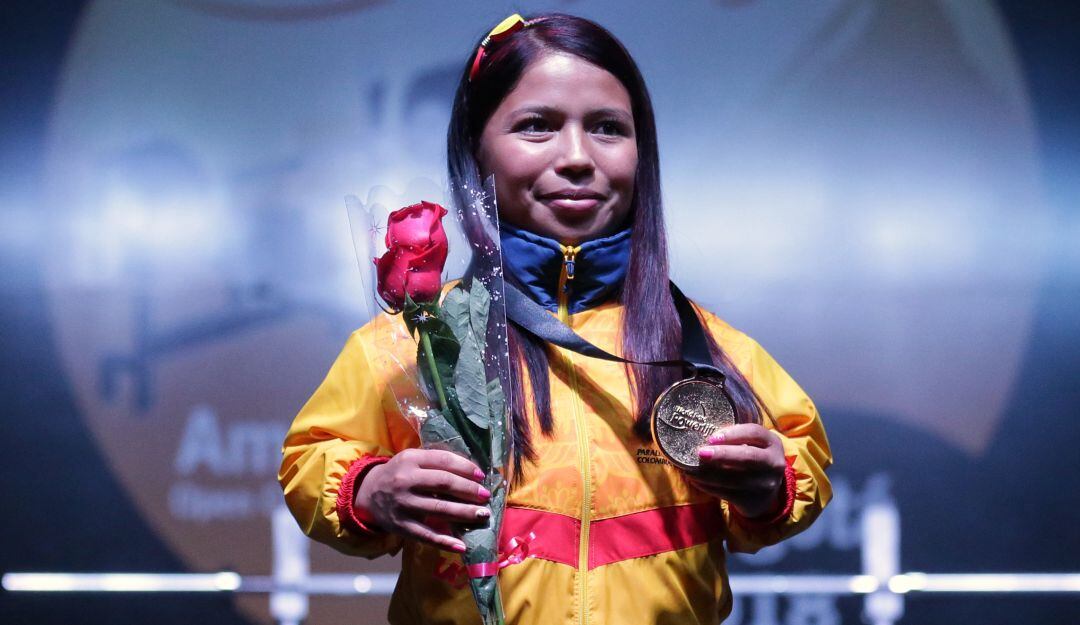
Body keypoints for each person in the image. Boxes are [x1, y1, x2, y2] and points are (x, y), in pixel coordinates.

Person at [279, 13, 831, 625]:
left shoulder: (708, 348)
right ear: (475, 148)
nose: (576, 157)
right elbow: (314, 457)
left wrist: (769, 488)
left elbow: (800, 456)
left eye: (608, 129)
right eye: (537, 126)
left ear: (642, 153)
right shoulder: (416, 342)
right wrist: (368, 491)